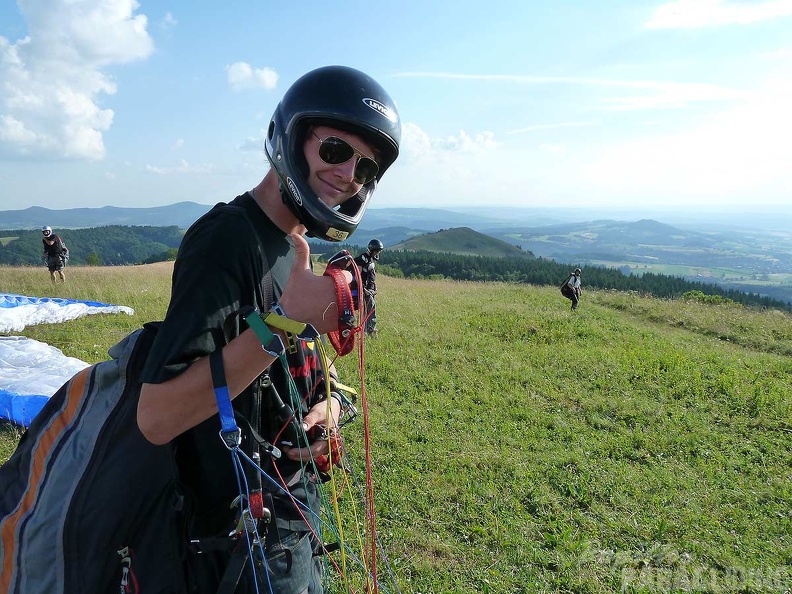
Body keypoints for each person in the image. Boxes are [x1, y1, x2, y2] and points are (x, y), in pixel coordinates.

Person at [137, 65, 400, 593]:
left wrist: (331, 408)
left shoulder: (293, 242)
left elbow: (289, 368)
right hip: (239, 543)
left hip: (294, 516)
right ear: (292, 139)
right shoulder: (223, 243)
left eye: (366, 168)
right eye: (334, 150)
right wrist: (284, 321)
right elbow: (157, 416)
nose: (349, 174)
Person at [354, 238, 383, 336]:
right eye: (376, 251)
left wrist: (373, 288)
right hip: (364, 290)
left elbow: (370, 277)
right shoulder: (362, 259)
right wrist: (364, 290)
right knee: (370, 309)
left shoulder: (371, 259)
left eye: (379, 251)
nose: (377, 253)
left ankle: (365, 331)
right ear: (371, 250)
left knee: (368, 310)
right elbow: (358, 276)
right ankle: (371, 331)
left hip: (369, 290)